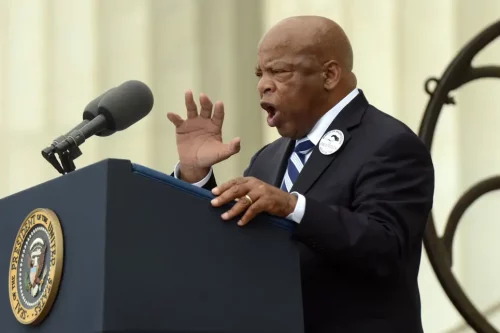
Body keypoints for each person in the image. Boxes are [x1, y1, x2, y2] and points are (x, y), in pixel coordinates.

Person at [167, 15, 434, 333]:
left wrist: (293, 207)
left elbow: (387, 248)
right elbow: (232, 243)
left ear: (329, 74)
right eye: (260, 73)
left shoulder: (389, 142)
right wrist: (195, 175)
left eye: (278, 71)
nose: (263, 84)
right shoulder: (268, 159)